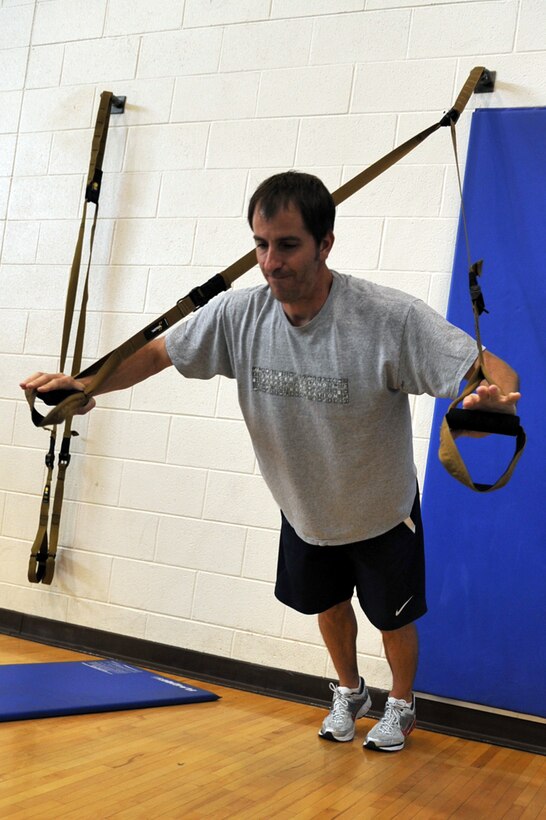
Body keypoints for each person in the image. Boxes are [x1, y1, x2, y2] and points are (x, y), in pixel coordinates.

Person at [21, 171, 520, 753]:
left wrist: (486, 400)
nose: (270, 262)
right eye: (260, 245)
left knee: (392, 618)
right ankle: (349, 690)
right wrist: (85, 385)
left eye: (287, 245)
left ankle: (402, 703)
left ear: (325, 243)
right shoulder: (239, 316)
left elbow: (494, 372)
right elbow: (160, 352)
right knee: (327, 606)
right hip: (303, 504)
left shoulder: (387, 319)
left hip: (380, 507)